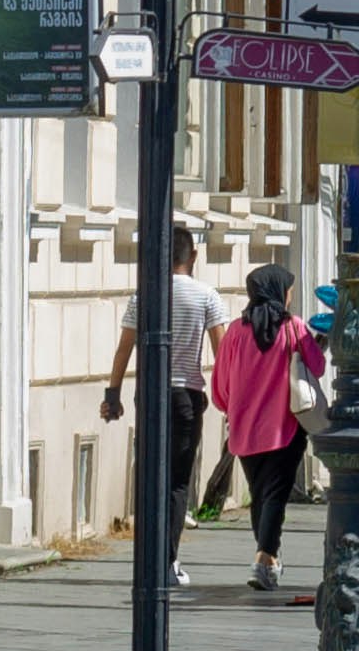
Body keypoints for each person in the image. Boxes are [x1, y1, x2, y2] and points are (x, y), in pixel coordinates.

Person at [102, 222, 214, 590]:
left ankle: (148, 558)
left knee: (149, 475)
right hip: (187, 396)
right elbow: (223, 350)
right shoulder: (207, 297)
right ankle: (168, 559)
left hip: (149, 396)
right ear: (192, 256)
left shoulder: (144, 297)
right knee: (178, 482)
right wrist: (222, 393)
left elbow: (124, 348)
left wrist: (112, 395)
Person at [207, 263, 327, 597]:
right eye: (288, 290)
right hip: (285, 428)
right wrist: (317, 343)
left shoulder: (234, 332)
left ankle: (267, 558)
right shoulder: (293, 328)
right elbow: (316, 366)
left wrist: (235, 407)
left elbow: (220, 386)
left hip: (244, 430)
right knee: (274, 495)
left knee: (261, 494)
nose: (290, 296)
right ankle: (265, 557)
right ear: (279, 292)